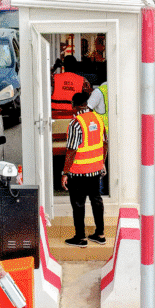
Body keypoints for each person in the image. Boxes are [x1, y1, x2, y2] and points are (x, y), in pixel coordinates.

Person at [61, 91, 107, 247]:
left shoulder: (76, 123)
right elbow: (105, 143)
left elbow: (71, 151)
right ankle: (100, 234)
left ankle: (80, 238)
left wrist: (65, 172)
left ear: (74, 105)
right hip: (95, 170)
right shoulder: (98, 119)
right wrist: (102, 162)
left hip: (79, 173)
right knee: (96, 200)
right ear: (87, 103)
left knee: (78, 204)